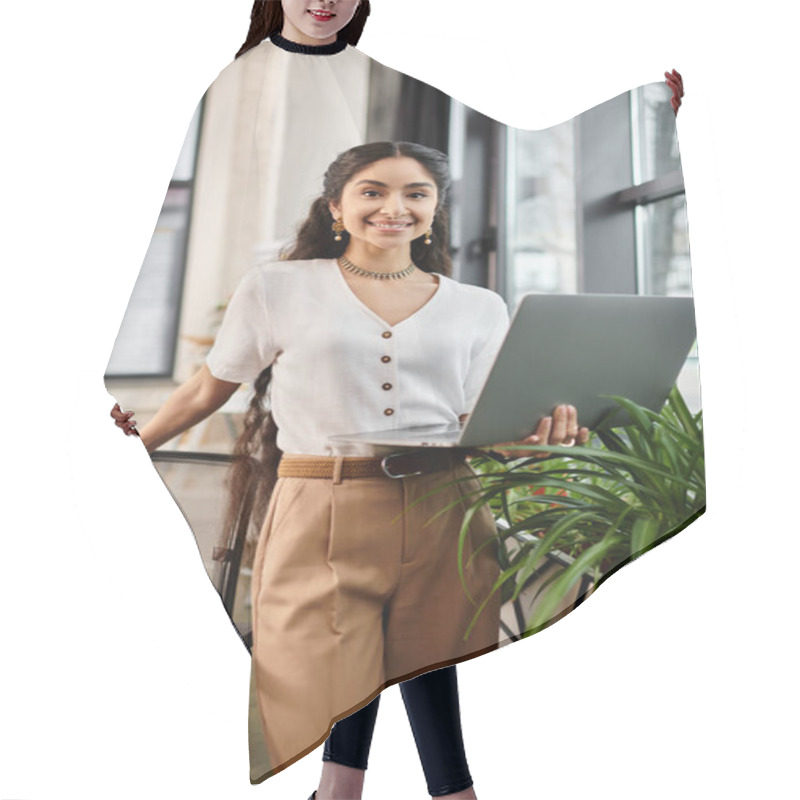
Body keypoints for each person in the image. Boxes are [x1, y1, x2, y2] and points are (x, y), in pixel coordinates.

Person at [109, 3, 683, 796]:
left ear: (434, 209)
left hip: (448, 501)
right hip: (323, 504)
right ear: (336, 207)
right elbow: (214, 385)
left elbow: (487, 424)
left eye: (415, 194)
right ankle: (361, 788)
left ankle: (418, 791)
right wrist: (130, 442)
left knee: (430, 649)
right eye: (372, 192)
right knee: (329, 662)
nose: (395, 208)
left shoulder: (478, 305)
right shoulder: (278, 286)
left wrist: (547, 430)